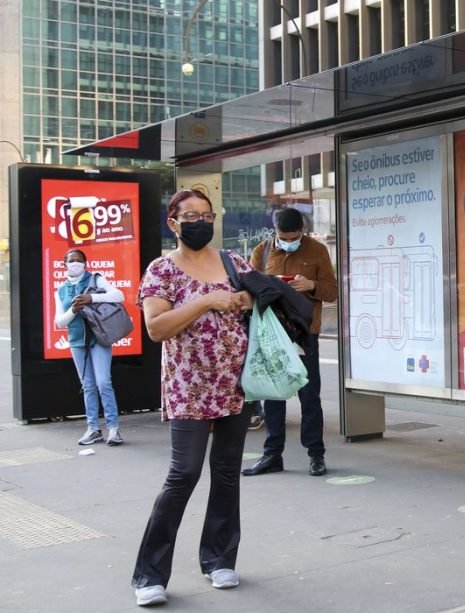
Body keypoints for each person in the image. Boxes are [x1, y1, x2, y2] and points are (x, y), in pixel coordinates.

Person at [131, 189, 254, 607]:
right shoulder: (161, 270)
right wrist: (206, 300)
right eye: (191, 216)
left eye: (207, 214)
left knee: (226, 472)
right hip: (188, 387)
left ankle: (219, 559)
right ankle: (149, 574)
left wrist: (245, 298)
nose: (201, 222)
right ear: (174, 223)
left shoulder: (234, 262)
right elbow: (157, 328)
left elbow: (255, 300)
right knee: (183, 473)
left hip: (234, 383)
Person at [242, 207, 338, 477]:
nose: (288, 241)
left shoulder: (317, 250)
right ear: (275, 232)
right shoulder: (262, 251)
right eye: (283, 237)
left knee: (309, 396)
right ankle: (272, 455)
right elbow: (248, 288)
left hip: (305, 334)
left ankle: (316, 455)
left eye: (294, 236)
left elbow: (332, 292)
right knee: (274, 396)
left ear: (302, 231)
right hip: (273, 334)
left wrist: (311, 286)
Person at [54, 249, 125, 446]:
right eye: (71, 261)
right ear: (64, 264)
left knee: (103, 383)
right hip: (77, 340)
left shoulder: (95, 279)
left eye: (79, 260)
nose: (75, 264)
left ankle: (113, 428)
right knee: (88, 385)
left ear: (85, 263)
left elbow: (118, 295)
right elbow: (60, 321)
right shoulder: (61, 290)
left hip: (99, 337)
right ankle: (93, 428)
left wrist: (92, 298)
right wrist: (73, 310)